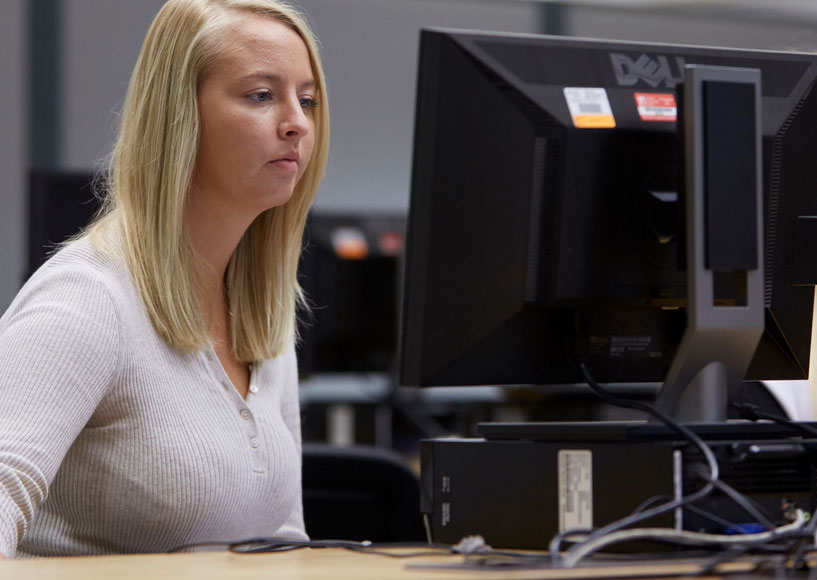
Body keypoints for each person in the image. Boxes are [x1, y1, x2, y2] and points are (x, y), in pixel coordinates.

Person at [0, 0, 329, 558]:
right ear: (179, 115)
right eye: (260, 95)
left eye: (307, 100)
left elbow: (281, 543)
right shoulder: (88, 299)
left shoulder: (262, 312)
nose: (297, 122)